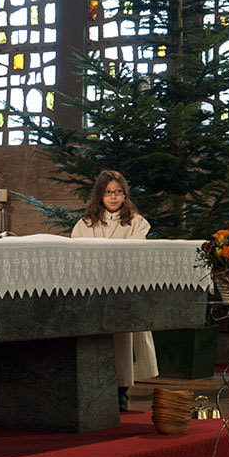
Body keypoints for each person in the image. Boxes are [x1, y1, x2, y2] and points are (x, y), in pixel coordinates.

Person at [70, 170, 159, 412]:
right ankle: (93, 389)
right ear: (99, 195)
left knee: (122, 341)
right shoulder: (85, 224)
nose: (113, 197)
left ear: (124, 194)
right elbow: (77, 254)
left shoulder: (136, 222)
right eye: (108, 192)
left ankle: (121, 390)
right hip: (93, 289)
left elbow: (136, 253)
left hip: (122, 288)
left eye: (118, 192)